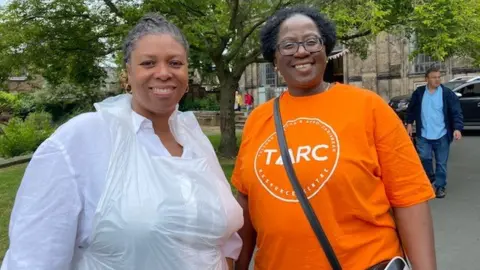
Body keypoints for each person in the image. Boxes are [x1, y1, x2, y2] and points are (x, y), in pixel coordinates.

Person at [1, 13, 243, 270]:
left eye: (175, 63)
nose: (163, 73)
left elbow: (223, 238)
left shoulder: (194, 139)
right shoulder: (81, 141)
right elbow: (32, 260)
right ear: (127, 74)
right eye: (148, 63)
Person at [232, 6, 437, 270]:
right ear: (274, 58)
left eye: (311, 41)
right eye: (288, 45)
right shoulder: (258, 120)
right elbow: (246, 204)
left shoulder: (369, 108)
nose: (302, 51)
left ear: (326, 50)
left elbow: (410, 199)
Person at [406, 66, 463, 198]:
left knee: (441, 163)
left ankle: (440, 186)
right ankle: (432, 177)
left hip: (442, 134)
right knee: (424, 158)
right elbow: (411, 109)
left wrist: (457, 128)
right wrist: (409, 123)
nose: (437, 80)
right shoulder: (419, 93)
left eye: (439, 77)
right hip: (424, 134)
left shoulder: (447, 94)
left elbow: (456, 112)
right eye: (434, 77)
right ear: (426, 79)